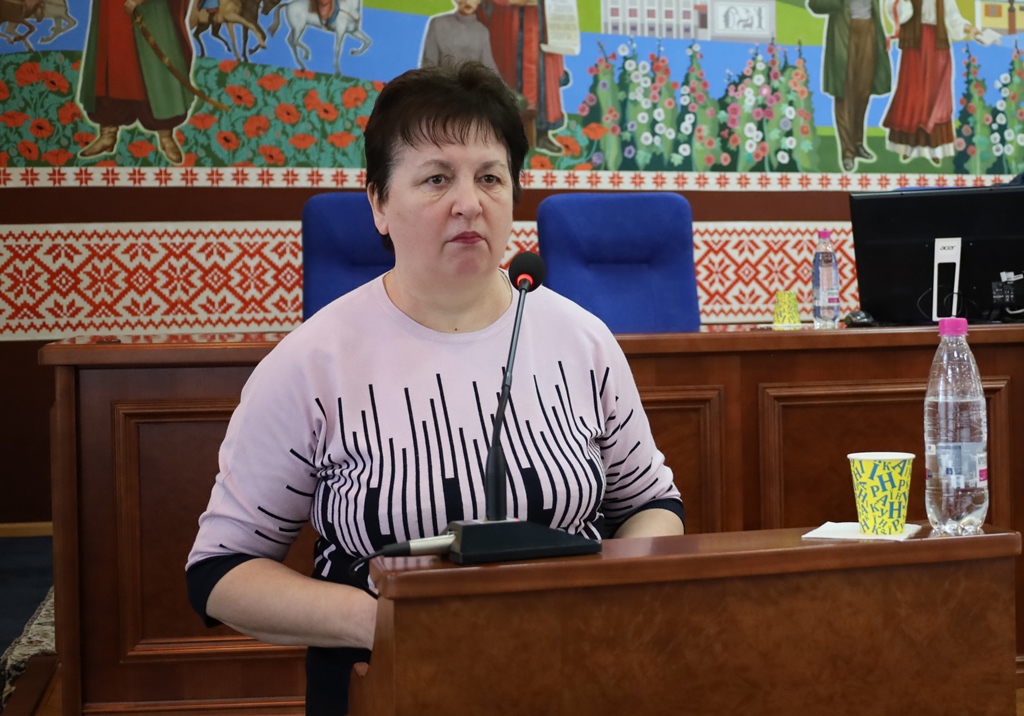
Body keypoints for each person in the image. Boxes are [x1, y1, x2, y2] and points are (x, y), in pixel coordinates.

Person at [186, 61, 685, 716]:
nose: (469, 202)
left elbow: (651, 503)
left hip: (576, 673)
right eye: (436, 178)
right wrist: (382, 620)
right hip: (389, 682)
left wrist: (611, 594)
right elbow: (222, 571)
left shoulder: (582, 340)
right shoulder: (312, 362)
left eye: (490, 177)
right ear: (378, 204)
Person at [78, 0, 193, 164]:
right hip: (112, 11)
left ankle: (166, 136)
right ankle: (107, 134)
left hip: (149, 11)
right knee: (110, 70)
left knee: (156, 73)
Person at [882, 0, 983, 162]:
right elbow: (892, 7)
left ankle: (935, 149)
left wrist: (970, 29)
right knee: (912, 94)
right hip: (914, 43)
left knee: (936, 95)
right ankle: (909, 146)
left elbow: (953, 17)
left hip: (937, 43)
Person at [807, 0, 891, 172]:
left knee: (863, 91)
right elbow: (814, 5)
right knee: (843, 93)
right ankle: (847, 152)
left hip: (869, 29)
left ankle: (858, 143)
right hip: (844, 32)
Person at [478, 0, 567, 154]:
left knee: (543, 76)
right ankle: (505, 135)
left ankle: (542, 134)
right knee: (508, 75)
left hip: (540, 20)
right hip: (508, 20)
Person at [420, 0, 498, 73]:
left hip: (470, 82)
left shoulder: (482, 31)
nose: (467, 2)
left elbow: (490, 68)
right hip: (442, 82)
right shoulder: (438, 24)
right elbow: (428, 65)